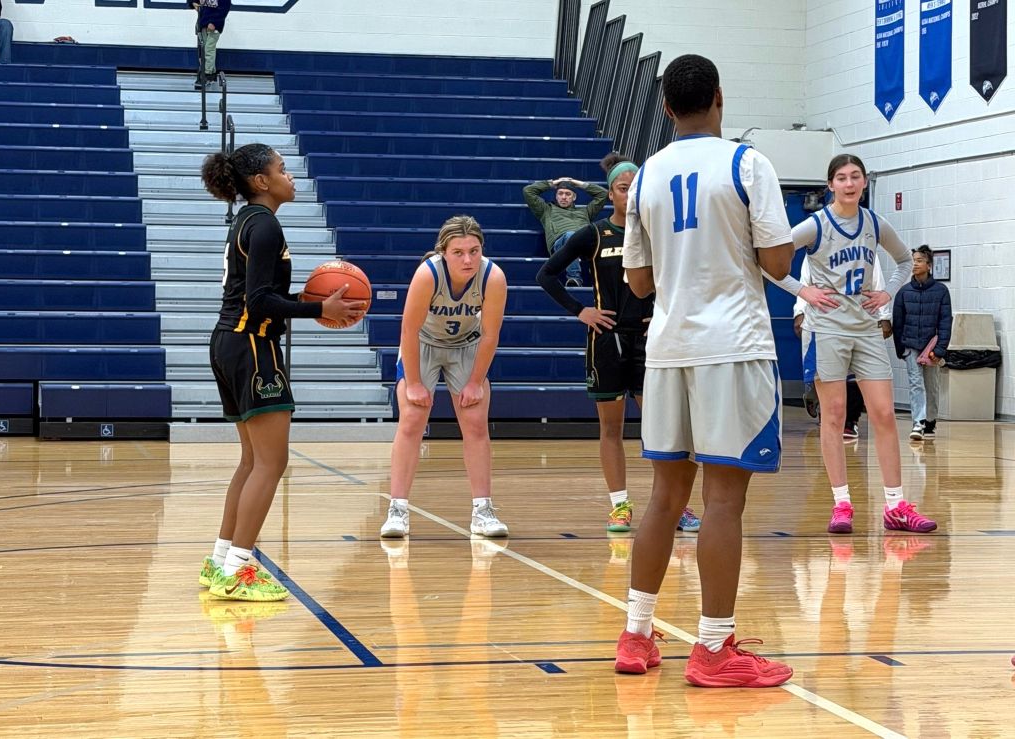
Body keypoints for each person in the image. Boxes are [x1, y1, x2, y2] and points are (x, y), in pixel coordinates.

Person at [614, 54, 795, 687]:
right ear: (720, 96)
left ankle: (636, 635)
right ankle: (715, 646)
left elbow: (637, 282)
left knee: (665, 497)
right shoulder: (748, 163)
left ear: (666, 107)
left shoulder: (643, 178)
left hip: (667, 346)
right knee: (723, 500)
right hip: (733, 347)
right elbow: (776, 263)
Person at [199, 143, 367, 600]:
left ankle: (219, 562)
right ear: (261, 182)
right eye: (282, 169)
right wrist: (320, 308)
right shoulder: (266, 225)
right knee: (272, 462)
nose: (290, 176)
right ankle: (238, 570)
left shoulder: (248, 221)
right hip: (252, 343)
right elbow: (260, 301)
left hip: (228, 341)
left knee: (253, 461)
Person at [771, 153, 937, 536]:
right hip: (826, 328)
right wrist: (803, 291)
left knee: (882, 414)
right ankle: (841, 503)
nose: (849, 183)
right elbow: (771, 261)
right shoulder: (815, 225)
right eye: (841, 177)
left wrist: (887, 294)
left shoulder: (875, 224)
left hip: (864, 328)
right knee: (834, 417)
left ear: (864, 183)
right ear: (830, 185)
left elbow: (902, 262)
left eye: (855, 176)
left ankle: (895, 506)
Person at [535, 152, 700, 535]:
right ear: (611, 194)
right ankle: (620, 506)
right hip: (606, 339)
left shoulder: (660, 233)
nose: (631, 194)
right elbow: (546, 274)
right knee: (611, 429)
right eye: (624, 189)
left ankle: (677, 506)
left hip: (651, 338)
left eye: (637, 188)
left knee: (663, 427)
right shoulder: (593, 234)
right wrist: (581, 311)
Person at [381, 215, 510, 539]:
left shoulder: (493, 277)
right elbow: (408, 330)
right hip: (422, 343)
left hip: (467, 346)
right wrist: (412, 383)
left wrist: (474, 381)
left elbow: (491, 335)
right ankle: (397, 509)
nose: (467, 259)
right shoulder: (428, 274)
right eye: (458, 252)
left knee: (476, 422)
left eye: (474, 250)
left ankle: (483, 510)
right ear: (443, 252)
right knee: (412, 418)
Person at [793, 256, 893, 440]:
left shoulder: (868, 240)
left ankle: (850, 422)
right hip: (824, 322)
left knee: (854, 377)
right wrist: (799, 312)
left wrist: (885, 316)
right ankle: (817, 403)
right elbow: (804, 282)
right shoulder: (816, 240)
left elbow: (878, 281)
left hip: (859, 321)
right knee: (821, 377)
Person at [893, 244, 952, 441]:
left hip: (931, 347)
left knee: (931, 385)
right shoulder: (903, 293)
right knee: (915, 384)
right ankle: (918, 422)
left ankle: (930, 420)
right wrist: (900, 347)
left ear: (929, 265)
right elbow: (898, 322)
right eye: (913, 261)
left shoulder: (941, 291)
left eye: (919, 261)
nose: (915, 264)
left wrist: (940, 349)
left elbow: (945, 322)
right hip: (910, 345)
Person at [523, 176, 608, 287]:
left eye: (568, 194)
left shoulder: (585, 212)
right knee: (570, 236)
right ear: (556, 196)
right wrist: (553, 183)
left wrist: (579, 184)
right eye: (560, 193)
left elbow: (604, 194)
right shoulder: (546, 210)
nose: (564, 197)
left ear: (574, 197)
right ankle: (574, 278)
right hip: (562, 246)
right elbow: (528, 191)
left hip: (585, 245)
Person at [188, 0, 231, 89]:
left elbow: (224, 9)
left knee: (209, 49)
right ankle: (212, 74)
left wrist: (214, 22)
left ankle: (206, 75)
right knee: (204, 49)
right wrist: (193, 3)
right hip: (203, 22)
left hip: (214, 25)